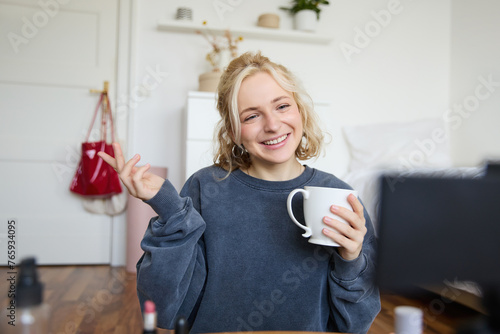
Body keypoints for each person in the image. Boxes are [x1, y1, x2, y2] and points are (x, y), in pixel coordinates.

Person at [98, 51, 381, 333]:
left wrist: (351, 258)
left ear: (300, 111)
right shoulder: (204, 188)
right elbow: (162, 308)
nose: (272, 125)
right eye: (252, 116)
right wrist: (170, 210)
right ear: (233, 132)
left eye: (282, 106)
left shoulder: (338, 195)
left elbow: (355, 325)